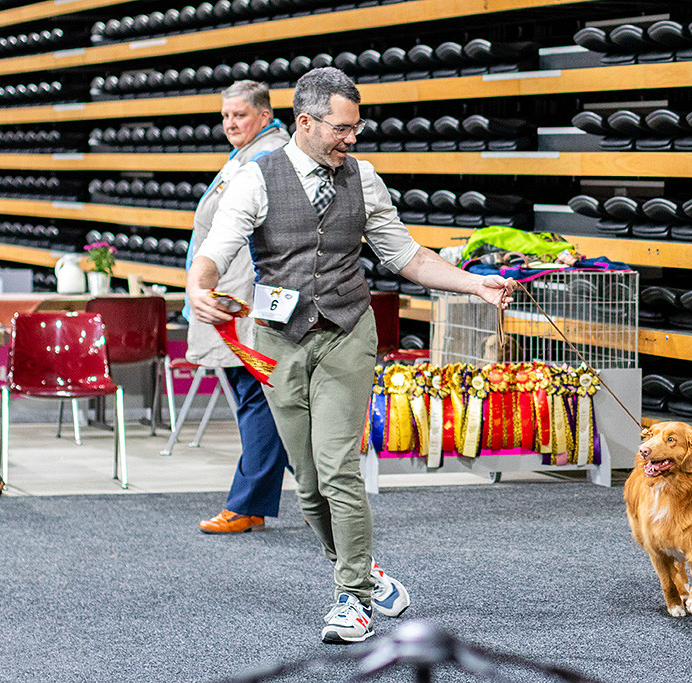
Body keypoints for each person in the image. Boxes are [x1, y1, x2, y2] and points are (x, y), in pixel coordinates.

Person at [187, 66, 515, 644]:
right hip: (278, 342)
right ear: (306, 123)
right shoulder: (255, 179)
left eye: (356, 127)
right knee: (309, 483)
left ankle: (352, 598)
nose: (353, 138)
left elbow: (405, 255)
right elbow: (215, 252)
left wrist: (473, 284)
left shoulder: (364, 179)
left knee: (338, 466)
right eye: (342, 128)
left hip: (347, 333)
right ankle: (364, 569)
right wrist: (198, 287)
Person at [183, 80, 293, 535]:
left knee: (258, 401)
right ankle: (318, 491)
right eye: (225, 116)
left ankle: (247, 503)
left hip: (244, 303)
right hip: (227, 298)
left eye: (239, 115)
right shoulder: (249, 155)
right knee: (263, 402)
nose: (230, 123)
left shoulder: (267, 159)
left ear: (264, 116)